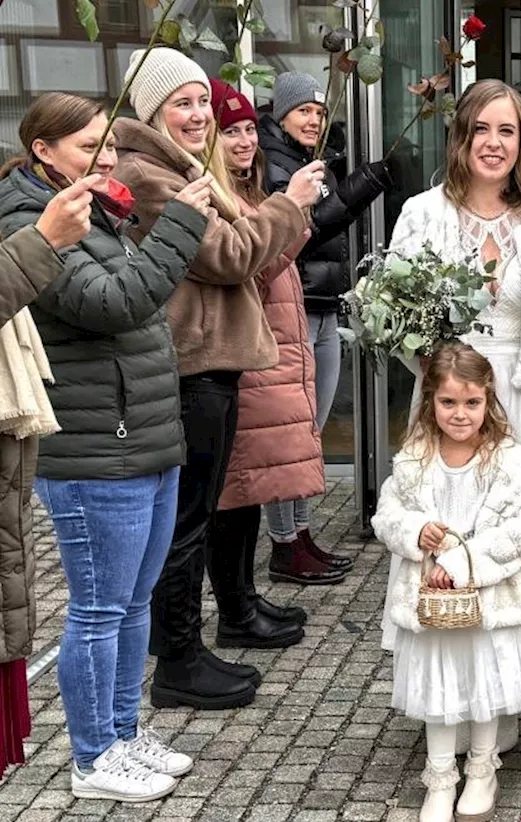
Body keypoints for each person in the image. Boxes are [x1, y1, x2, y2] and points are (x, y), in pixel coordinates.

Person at [0, 92, 212, 801]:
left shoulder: (93, 206)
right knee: (98, 608)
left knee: (134, 602)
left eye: (110, 143)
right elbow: (114, 303)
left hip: (143, 433)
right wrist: (181, 223)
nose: (109, 157)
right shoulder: (34, 218)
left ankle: (124, 730)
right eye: (91, 145)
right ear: (44, 152)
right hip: (95, 446)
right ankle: (93, 757)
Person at [111, 47, 325, 710]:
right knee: (185, 521)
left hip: (212, 360)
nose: (200, 114)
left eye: (203, 101)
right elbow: (230, 257)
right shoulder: (151, 176)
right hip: (191, 364)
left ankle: (194, 641)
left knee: (199, 513)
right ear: (151, 110)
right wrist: (289, 204)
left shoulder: (180, 168)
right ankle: (178, 659)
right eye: (185, 103)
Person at [371, 343, 521, 822]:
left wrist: (464, 564)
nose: (460, 414)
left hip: (488, 599)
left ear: (489, 401)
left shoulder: (510, 461)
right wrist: (414, 533)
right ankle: (441, 777)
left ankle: (483, 769)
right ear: (430, 402)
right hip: (432, 601)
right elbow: (387, 515)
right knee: (438, 687)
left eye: (471, 403)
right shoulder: (414, 459)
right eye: (448, 403)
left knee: (485, 683)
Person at [259, 71, 397, 583]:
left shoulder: (307, 161)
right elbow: (300, 234)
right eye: (303, 111)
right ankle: (284, 543)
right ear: (281, 114)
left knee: (309, 432)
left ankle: (300, 535)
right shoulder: (275, 165)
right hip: (290, 308)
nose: (314, 119)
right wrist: (357, 191)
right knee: (289, 436)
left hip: (321, 305)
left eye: (319, 112)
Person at [389, 78, 521, 445]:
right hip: (449, 397)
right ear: (461, 138)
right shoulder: (421, 213)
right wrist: (431, 368)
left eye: (507, 131)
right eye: (480, 129)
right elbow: (394, 314)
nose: (494, 143)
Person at [206, 77, 320, 643]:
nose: (246, 141)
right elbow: (248, 274)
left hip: (260, 349)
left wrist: (291, 226)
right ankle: (235, 611)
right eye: (231, 131)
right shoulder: (217, 199)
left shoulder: (245, 195)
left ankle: (245, 600)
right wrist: (290, 214)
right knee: (234, 492)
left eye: (251, 128)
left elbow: (265, 263)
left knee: (247, 490)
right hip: (243, 355)